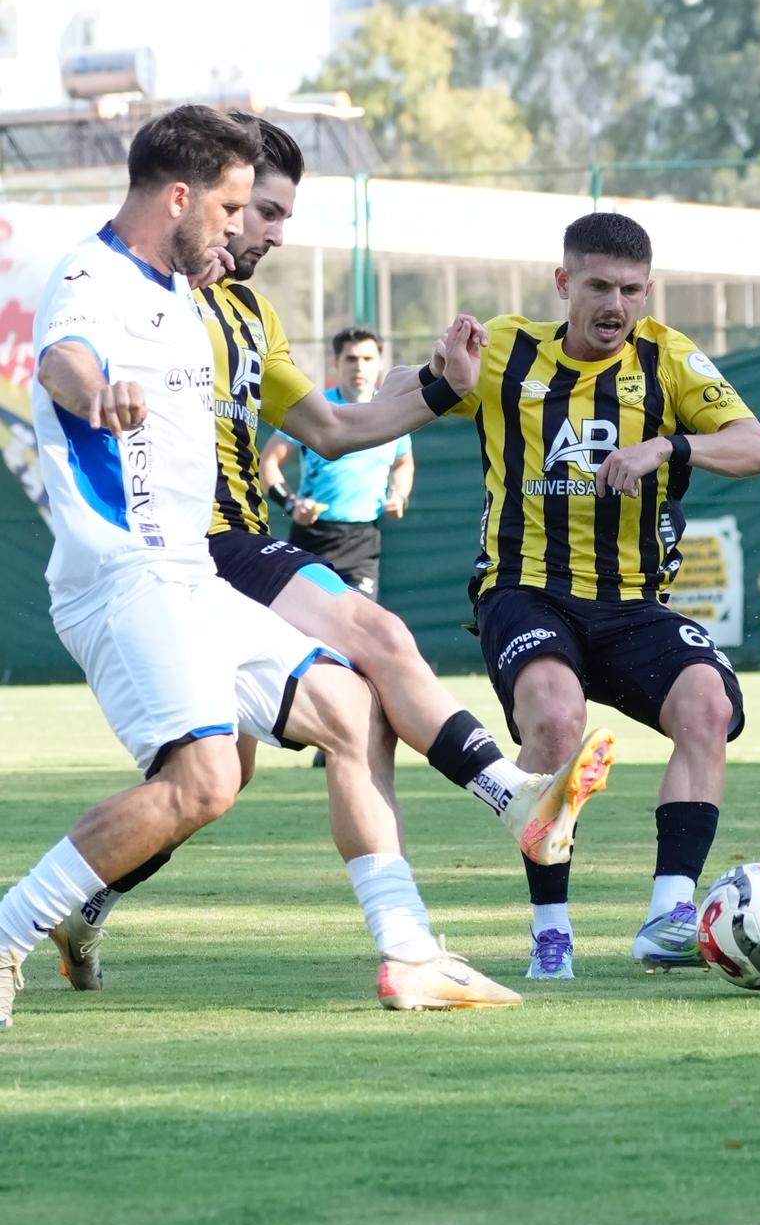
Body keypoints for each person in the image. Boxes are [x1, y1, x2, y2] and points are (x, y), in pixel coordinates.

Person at [45, 114, 613, 996]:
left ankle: (414, 934)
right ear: (205, 199)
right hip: (189, 551)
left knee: (276, 743)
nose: (262, 231)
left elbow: (337, 428)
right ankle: (512, 804)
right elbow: (67, 351)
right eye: (256, 209)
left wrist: (437, 389)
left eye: (267, 215)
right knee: (349, 660)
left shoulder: (248, 314)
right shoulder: (147, 282)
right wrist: (93, 392)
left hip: (224, 551)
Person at [387, 211, 760, 979]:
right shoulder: (504, 348)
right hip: (526, 588)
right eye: (599, 285)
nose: (616, 305)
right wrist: (437, 373)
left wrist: (670, 443)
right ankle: (551, 932)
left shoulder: (668, 359)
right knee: (558, 720)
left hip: (634, 603)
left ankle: (669, 915)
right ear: (564, 283)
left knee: (708, 707)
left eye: (632, 290)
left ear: (648, 290)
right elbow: (398, 394)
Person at [260, 324, 413, 601]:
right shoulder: (317, 408)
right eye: (351, 359)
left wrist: (399, 494)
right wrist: (291, 504)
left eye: (368, 359)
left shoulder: (392, 412)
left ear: (380, 363)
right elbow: (269, 463)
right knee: (308, 629)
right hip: (314, 537)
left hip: (364, 541)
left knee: (360, 626)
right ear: (336, 363)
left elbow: (404, 462)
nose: (359, 367)